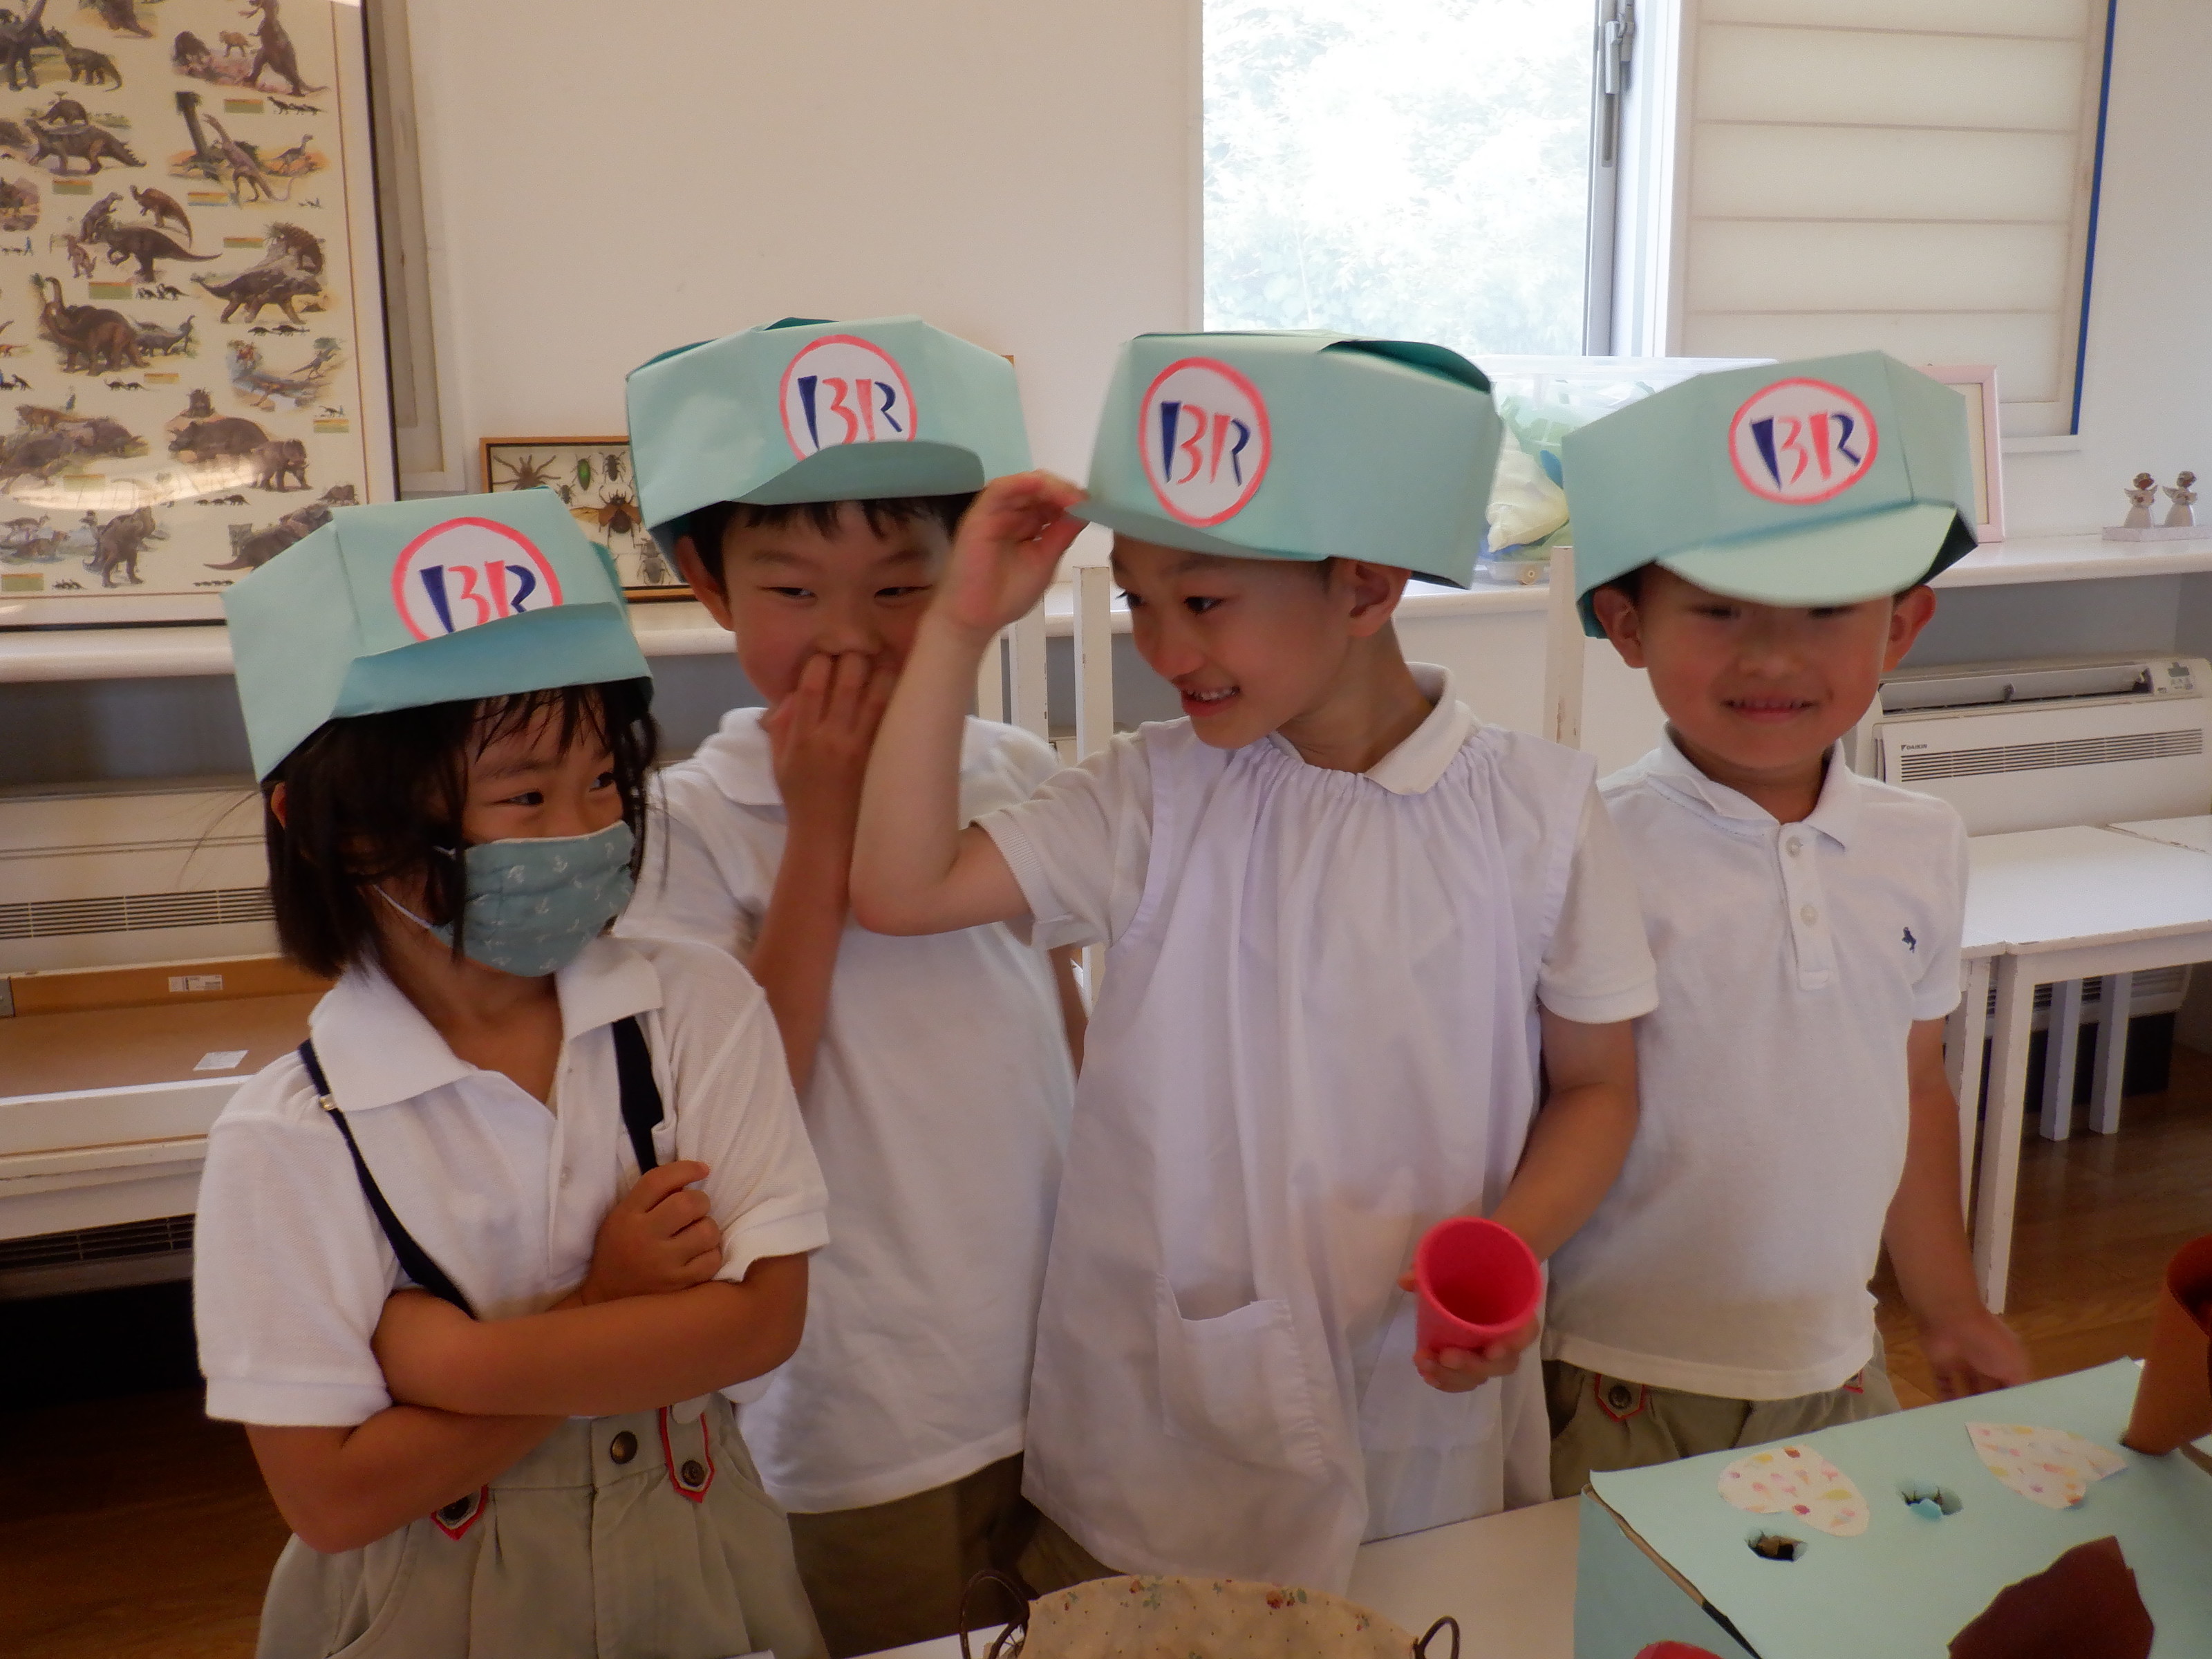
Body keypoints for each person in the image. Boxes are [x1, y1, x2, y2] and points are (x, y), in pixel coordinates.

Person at [851, 331, 1660, 1593]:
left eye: (1204, 603)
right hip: (1166, 1416)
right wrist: (956, 630)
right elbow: (902, 889)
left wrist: (1511, 1249)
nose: (1164, 651)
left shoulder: (1540, 812)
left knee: (1414, 1609)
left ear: (1365, 588)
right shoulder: (1152, 796)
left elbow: (1599, 1085)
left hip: (1423, 1375)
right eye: (1140, 602)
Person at [192, 491, 830, 1659]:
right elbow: (332, 1498)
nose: (584, 831)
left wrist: (457, 1359)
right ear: (333, 825)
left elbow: (760, 1324)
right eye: (526, 796)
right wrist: (609, 1306)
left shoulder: (694, 1009)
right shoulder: (290, 1136)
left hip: (696, 1569)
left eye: (606, 784)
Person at [620, 316, 1080, 1656]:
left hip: (1057, 1358)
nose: (854, 639)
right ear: (708, 585)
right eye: (794, 591)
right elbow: (736, 1099)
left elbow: (1064, 1019)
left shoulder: (1008, 768)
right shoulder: (685, 827)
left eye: (899, 589)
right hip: (862, 1403)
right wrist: (820, 825)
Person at [1545, 352, 2032, 1497]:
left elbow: (1913, 1085)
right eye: (1719, 609)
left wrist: (1950, 1309)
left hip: (1837, 1364)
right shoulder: (1580, 841)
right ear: (1627, 623)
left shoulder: (1923, 840)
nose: (1772, 656)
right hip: (1618, 1375)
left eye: (1826, 610)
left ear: (1901, 626)